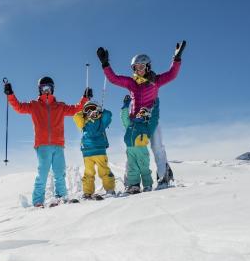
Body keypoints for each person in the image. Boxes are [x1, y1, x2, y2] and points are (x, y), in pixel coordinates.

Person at [96, 41, 186, 188]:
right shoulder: (132, 83)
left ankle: (163, 176)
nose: (139, 70)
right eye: (135, 68)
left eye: (141, 67)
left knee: (157, 146)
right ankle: (131, 182)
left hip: (151, 120)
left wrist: (176, 59)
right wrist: (106, 64)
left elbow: (172, 74)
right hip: (135, 122)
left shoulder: (155, 81)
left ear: (148, 66)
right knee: (132, 149)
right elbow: (114, 79)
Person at [4, 76, 89, 207]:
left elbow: (75, 109)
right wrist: (10, 95)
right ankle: (38, 200)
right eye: (44, 88)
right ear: (39, 90)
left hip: (58, 145)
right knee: (42, 173)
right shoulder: (34, 105)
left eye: (49, 88)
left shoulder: (60, 106)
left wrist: (85, 98)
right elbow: (19, 107)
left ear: (53, 89)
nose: (46, 91)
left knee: (60, 173)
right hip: (42, 145)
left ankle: (61, 196)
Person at [72, 99, 116, 200]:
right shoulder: (84, 123)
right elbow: (76, 117)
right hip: (87, 152)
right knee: (88, 173)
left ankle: (110, 189)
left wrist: (101, 111)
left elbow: (108, 115)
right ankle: (87, 193)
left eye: (92, 109)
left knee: (104, 171)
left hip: (100, 150)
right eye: (87, 110)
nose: (90, 112)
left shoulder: (101, 121)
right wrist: (84, 112)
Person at [120, 96, 158, 194]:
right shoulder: (130, 124)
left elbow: (154, 119)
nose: (140, 114)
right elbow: (124, 117)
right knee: (132, 168)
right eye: (139, 112)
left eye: (143, 112)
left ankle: (147, 185)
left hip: (141, 149)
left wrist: (155, 107)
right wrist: (125, 105)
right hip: (130, 149)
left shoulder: (147, 126)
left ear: (147, 116)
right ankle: (134, 185)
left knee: (144, 167)